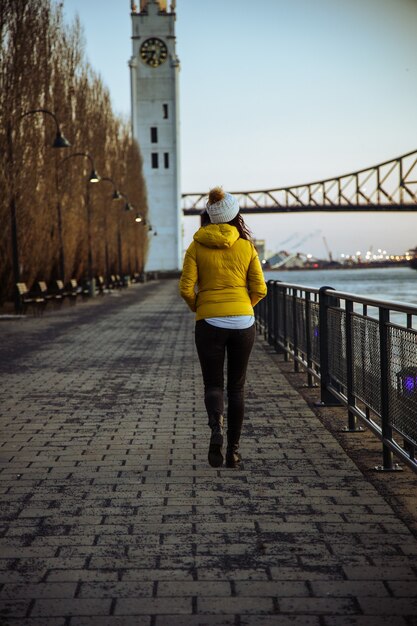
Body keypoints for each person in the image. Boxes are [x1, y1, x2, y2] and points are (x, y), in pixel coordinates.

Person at [179, 186, 267, 468]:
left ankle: (216, 429)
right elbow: (260, 288)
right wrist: (244, 307)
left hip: (209, 322)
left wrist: (200, 308)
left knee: (213, 384)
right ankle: (233, 452)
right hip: (243, 322)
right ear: (235, 216)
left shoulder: (195, 246)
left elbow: (185, 288)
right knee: (237, 388)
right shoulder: (246, 246)